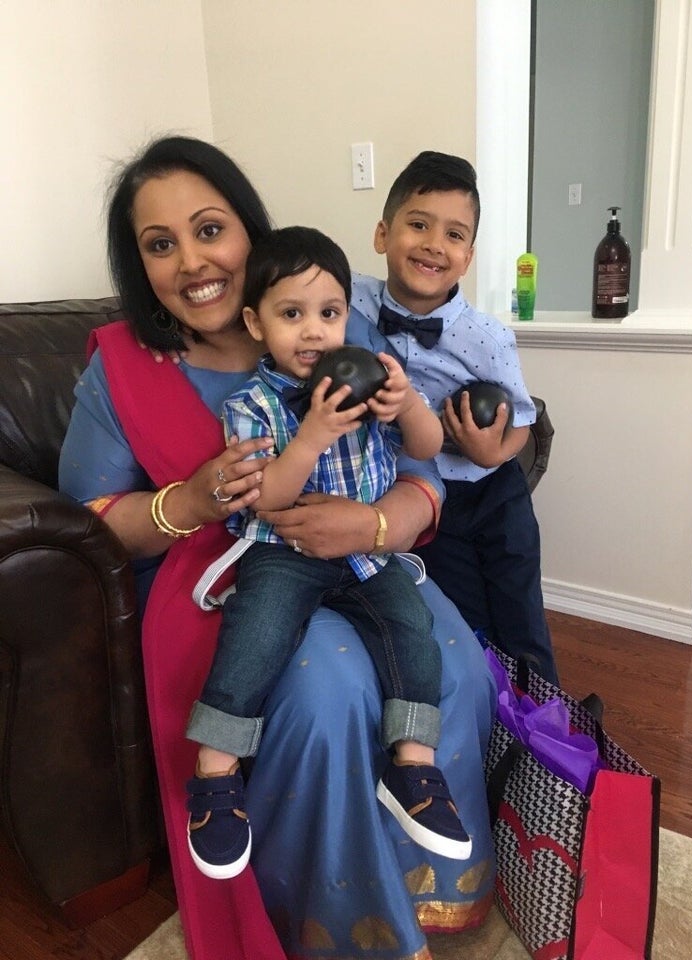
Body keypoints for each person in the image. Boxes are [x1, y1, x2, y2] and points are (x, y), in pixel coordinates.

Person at [58, 136, 498, 960]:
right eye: (161, 245)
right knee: (326, 695)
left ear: (249, 232)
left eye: (209, 228)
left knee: (460, 664)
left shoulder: (338, 328)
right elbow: (89, 522)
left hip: (366, 555)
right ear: (141, 265)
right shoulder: (121, 366)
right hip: (221, 576)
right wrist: (190, 499)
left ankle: (433, 896)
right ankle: (341, 932)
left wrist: (376, 525)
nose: (192, 262)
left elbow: (421, 463)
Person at [185, 224, 472, 881]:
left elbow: (427, 449)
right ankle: (216, 771)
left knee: (411, 626)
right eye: (292, 315)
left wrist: (406, 407)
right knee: (256, 630)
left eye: (329, 313)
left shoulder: (374, 385)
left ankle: (412, 769)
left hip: (366, 556)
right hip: (282, 550)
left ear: (349, 317)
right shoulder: (251, 406)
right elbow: (266, 500)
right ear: (257, 324)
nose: (314, 332)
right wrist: (311, 435)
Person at [349, 150, 559, 685]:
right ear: (382, 234)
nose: (433, 244)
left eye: (454, 235)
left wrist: (493, 450)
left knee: (522, 618)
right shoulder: (349, 303)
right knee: (466, 626)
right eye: (418, 224)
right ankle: (488, 729)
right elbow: (280, 295)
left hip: (494, 493)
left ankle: (548, 735)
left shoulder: (487, 336)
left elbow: (525, 417)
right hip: (426, 495)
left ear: (467, 258)